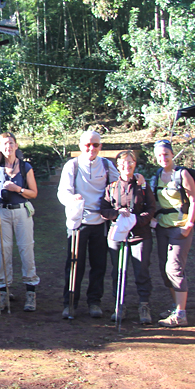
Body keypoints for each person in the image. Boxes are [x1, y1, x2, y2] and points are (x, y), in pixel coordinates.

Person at [57, 129, 119, 318]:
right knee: (75, 263)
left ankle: (94, 302)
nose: (91, 148)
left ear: (101, 146)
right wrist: (72, 199)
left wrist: (137, 181)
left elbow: (119, 187)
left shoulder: (107, 166)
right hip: (78, 222)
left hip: (100, 222)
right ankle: (70, 304)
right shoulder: (72, 165)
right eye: (87, 144)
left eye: (95, 145)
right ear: (80, 146)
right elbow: (62, 192)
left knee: (99, 264)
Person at [100, 150, 157, 325]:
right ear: (118, 166)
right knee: (118, 271)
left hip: (140, 235)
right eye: (124, 162)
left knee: (142, 271)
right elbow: (103, 210)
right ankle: (119, 306)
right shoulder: (111, 187)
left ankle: (144, 306)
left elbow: (151, 208)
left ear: (135, 164)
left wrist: (136, 220)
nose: (128, 165)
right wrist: (117, 213)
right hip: (117, 235)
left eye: (131, 162)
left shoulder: (143, 186)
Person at [151, 139, 195, 327]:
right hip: (162, 227)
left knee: (174, 268)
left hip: (180, 227)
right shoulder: (157, 175)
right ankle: (175, 306)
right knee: (165, 270)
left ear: (172, 155)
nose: (163, 158)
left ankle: (181, 314)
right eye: (160, 155)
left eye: (166, 154)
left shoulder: (182, 174)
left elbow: (194, 199)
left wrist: (190, 223)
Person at [0, 132, 40, 312]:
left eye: (11, 143)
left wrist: (17, 189)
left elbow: (33, 193)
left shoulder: (26, 167)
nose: (8, 146)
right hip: (2, 212)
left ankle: (30, 293)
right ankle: (3, 292)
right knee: (3, 252)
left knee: (26, 249)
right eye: (4, 144)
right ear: (0, 148)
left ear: (16, 146)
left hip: (21, 212)